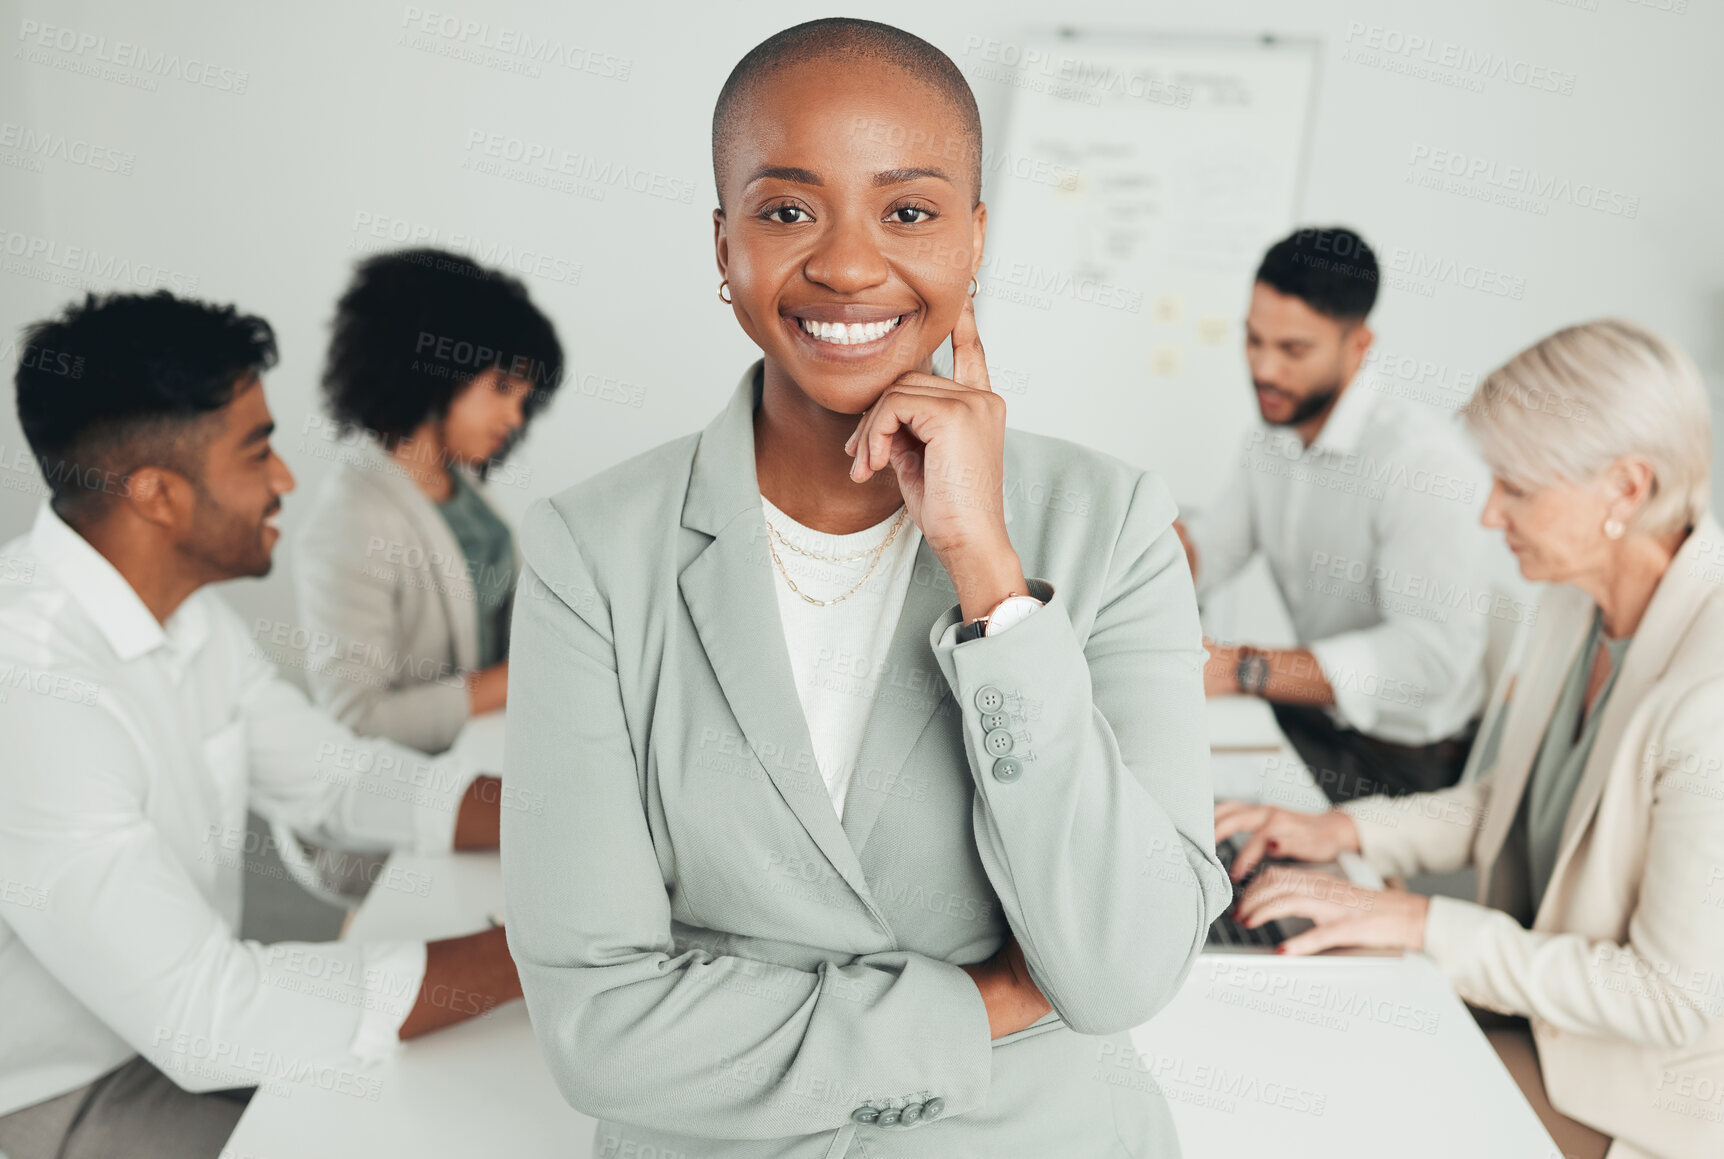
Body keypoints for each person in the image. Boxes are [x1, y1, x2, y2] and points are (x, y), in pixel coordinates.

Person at [501, 18, 1229, 1159]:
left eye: (908, 210)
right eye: (786, 210)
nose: (845, 264)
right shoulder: (588, 550)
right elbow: (596, 1028)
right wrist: (981, 1003)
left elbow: (1125, 963)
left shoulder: (1111, 520)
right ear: (722, 242)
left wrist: (989, 573)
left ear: (974, 237)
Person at [0, 291, 523, 1159]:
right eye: (258, 449)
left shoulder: (189, 614)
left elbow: (338, 777)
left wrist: (570, 828)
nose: (285, 479)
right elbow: (207, 1017)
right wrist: (539, 951)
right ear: (158, 495)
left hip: (165, 1024)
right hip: (59, 1088)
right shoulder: (34, 692)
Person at [1216, 320, 1724, 1159]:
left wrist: (1417, 920)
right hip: (1538, 1012)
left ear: (1626, 489)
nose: (1490, 514)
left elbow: (1667, 997)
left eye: (1517, 488)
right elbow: (1509, 797)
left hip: (1635, 1090)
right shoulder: (1574, 598)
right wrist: (1344, 831)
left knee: (1340, 1109)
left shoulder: (1709, 693)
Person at [1178, 227, 1497, 802]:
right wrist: (1127, 555)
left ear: (1358, 345)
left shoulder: (1420, 464)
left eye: (1293, 350)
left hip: (1403, 761)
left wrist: (1242, 669)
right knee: (1161, 758)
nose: (1264, 369)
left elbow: (1432, 659)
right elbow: (1210, 549)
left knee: (1192, 801)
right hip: (1320, 720)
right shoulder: (1270, 440)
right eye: (1253, 341)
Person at [294, 248, 564, 756]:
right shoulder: (351, 519)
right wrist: (520, 676)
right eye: (502, 387)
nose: (515, 418)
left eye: (524, 398)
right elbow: (355, 720)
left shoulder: (463, 485)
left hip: (493, 756)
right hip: (417, 805)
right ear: (435, 369)